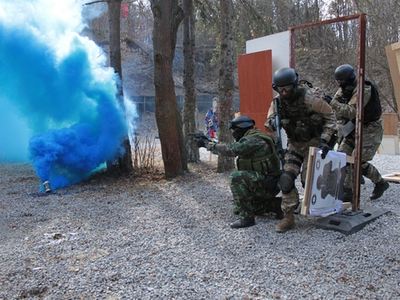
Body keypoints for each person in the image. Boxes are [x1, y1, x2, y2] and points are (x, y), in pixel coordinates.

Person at [264, 67, 337, 233]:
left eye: (287, 88)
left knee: (309, 181)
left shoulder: (310, 98)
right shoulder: (277, 103)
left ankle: (327, 205)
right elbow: (268, 123)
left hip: (315, 143)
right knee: (286, 179)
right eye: (279, 89)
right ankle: (288, 217)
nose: (283, 93)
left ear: (294, 85)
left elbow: (331, 117)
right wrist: (273, 123)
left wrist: (325, 140)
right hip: (295, 144)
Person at [195, 115, 283, 228]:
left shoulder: (254, 140)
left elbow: (232, 149)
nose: (234, 133)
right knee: (238, 208)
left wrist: (207, 144)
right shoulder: (256, 136)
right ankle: (276, 205)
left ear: (240, 129)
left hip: (268, 184)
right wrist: (208, 141)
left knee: (236, 177)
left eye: (235, 130)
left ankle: (247, 219)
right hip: (265, 182)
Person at [329, 64, 389, 201]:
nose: (340, 84)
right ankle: (348, 190)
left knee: (358, 161)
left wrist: (331, 102)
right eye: (338, 81)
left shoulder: (364, 88)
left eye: (342, 81)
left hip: (370, 129)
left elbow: (351, 111)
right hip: (354, 126)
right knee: (343, 155)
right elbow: (336, 102)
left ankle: (380, 183)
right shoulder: (344, 88)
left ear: (349, 78)